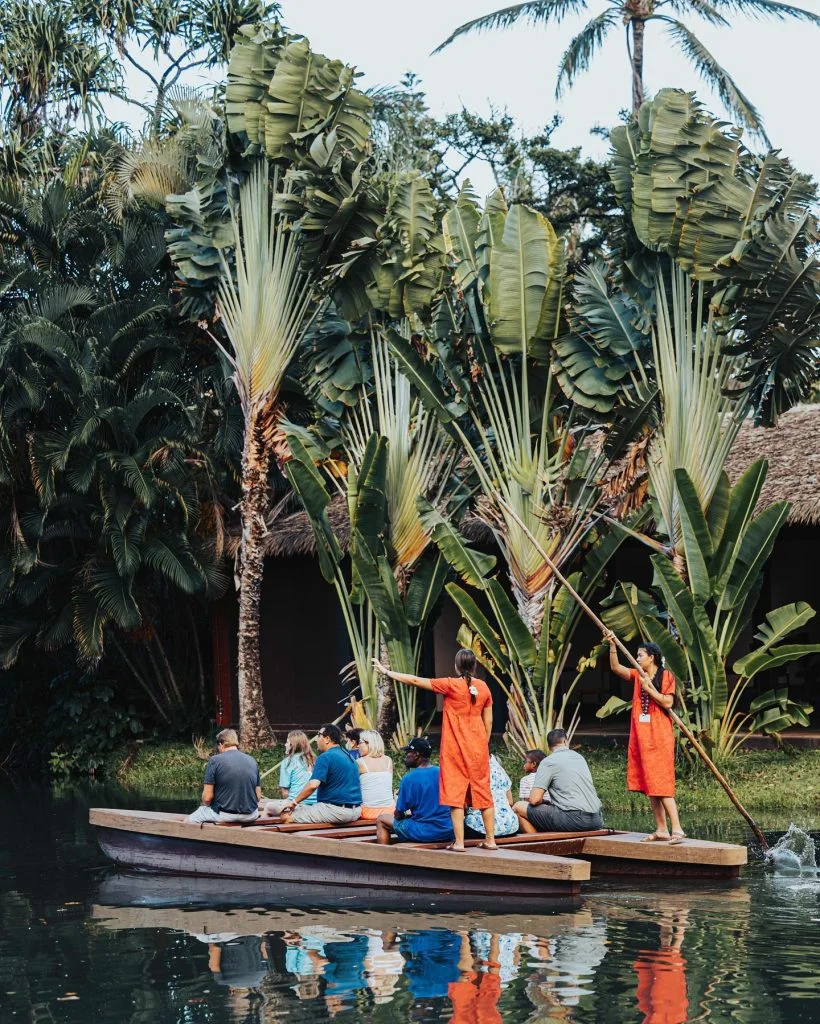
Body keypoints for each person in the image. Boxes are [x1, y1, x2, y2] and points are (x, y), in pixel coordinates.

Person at [373, 649, 495, 851]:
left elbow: (415, 681)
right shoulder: (483, 687)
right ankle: (491, 840)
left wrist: (387, 672)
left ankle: (459, 843)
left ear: (457, 666)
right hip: (478, 751)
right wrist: (482, 744)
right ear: (474, 666)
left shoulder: (451, 684)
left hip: (455, 750)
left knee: (456, 796)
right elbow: (488, 720)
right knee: (483, 793)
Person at [605, 631, 685, 844]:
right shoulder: (638, 674)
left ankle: (677, 829)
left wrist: (649, 688)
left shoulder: (665, 676)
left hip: (659, 735)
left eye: (640, 655)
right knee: (650, 783)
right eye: (637, 655)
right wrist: (613, 644)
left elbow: (668, 703)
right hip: (641, 736)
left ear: (652, 657)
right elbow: (616, 668)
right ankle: (661, 829)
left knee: (661, 782)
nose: (637, 658)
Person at [513, 728, 604, 833]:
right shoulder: (580, 758)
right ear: (566, 741)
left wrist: (543, 802)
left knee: (518, 806)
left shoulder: (548, 762)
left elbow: (534, 800)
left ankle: (539, 843)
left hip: (573, 820)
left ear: (549, 747)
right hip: (596, 819)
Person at [278, 723, 362, 825]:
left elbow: (313, 785)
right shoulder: (349, 756)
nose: (316, 739)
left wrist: (294, 802)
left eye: (319, 735)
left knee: (285, 816)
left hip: (335, 810)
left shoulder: (325, 757)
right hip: (356, 811)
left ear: (327, 739)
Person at [375, 737, 454, 845]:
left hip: (424, 832)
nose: (406, 756)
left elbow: (398, 815)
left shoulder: (409, 779)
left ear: (416, 755)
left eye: (408, 752)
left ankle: (381, 858)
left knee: (381, 819)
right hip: (447, 829)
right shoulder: (444, 773)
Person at [188, 728, 261, 824]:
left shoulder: (215, 761)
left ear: (221, 744)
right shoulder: (252, 760)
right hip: (251, 815)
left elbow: (207, 798)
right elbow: (258, 797)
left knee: (188, 820)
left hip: (225, 815)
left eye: (218, 745)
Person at [260, 730, 316, 817]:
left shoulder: (288, 762)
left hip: (296, 805)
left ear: (292, 745)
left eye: (287, 742)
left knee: (268, 807)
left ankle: (260, 830)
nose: (285, 744)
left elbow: (285, 793)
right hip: (315, 805)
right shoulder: (315, 760)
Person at [465, 753, 519, 837]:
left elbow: (462, 805)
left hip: (481, 828)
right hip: (511, 826)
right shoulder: (500, 770)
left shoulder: (470, 770)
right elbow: (510, 801)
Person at [356, 729, 395, 820]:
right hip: (389, 811)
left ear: (369, 743)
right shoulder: (388, 760)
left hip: (367, 813)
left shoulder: (359, 762)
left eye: (360, 742)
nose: (358, 746)